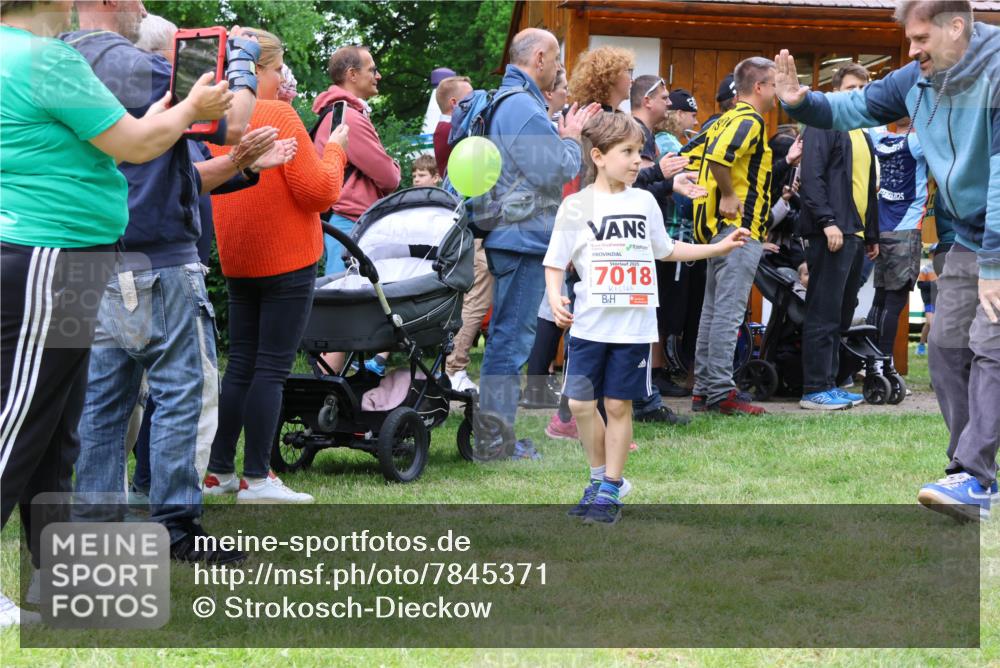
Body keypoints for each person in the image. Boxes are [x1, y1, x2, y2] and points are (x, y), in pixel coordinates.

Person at [0, 0, 231, 626]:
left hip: (66, 261)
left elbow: (125, 135)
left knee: (55, 429)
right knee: (20, 421)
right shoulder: (46, 60)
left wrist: (172, 114)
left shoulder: (24, 56)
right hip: (51, 258)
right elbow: (136, 146)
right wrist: (194, 109)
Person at [775, 0, 1000, 520]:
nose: (912, 49)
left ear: (956, 27)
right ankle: (971, 474)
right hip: (967, 229)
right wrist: (801, 102)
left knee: (991, 342)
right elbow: (848, 110)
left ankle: (976, 475)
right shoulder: (915, 79)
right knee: (945, 345)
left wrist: (993, 268)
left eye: (921, 38)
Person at [62, 0, 258, 566]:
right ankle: (175, 526)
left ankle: (96, 528)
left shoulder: (56, 64)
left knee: (100, 403)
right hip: (160, 260)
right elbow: (234, 122)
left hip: (86, 258)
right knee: (182, 395)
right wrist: (240, 58)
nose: (142, 7)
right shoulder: (136, 67)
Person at [545, 112, 749, 524]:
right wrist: (554, 297)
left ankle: (608, 490)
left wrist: (718, 248)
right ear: (599, 156)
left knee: (618, 404)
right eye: (628, 153)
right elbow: (555, 262)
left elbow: (668, 248)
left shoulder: (643, 202)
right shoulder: (575, 206)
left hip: (634, 326)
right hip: (588, 324)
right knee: (583, 404)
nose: (638, 160)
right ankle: (602, 478)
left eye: (640, 152)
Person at [204, 28, 348, 504]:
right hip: (286, 256)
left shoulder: (213, 115)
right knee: (271, 367)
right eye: (279, 66)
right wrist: (336, 148)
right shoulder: (281, 115)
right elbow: (319, 192)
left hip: (239, 255)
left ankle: (219, 469)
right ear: (263, 69)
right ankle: (258, 476)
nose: (283, 75)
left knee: (240, 364)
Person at [476, 28, 599, 458]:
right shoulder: (524, 108)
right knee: (511, 342)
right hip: (523, 239)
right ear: (541, 57)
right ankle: (494, 441)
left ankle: (493, 436)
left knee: (508, 339)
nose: (560, 70)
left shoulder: (507, 101)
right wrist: (570, 137)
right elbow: (556, 172)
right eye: (559, 61)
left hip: (513, 235)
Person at [687, 57, 777, 415]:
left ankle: (704, 389)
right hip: (740, 228)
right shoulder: (750, 120)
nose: (776, 94)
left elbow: (690, 157)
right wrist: (726, 194)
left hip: (715, 231)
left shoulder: (723, 119)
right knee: (728, 311)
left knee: (712, 310)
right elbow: (720, 159)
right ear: (759, 87)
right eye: (773, 85)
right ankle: (722, 391)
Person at [797, 63, 879, 411]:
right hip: (831, 232)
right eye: (850, 87)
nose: (856, 93)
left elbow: (867, 189)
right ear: (834, 90)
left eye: (861, 88)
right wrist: (827, 221)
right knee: (823, 312)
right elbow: (812, 178)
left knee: (842, 314)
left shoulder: (860, 130)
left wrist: (871, 234)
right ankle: (814, 388)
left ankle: (830, 383)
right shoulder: (823, 121)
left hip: (855, 235)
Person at [314, 44, 400, 276]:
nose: (378, 76)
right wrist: (395, 166)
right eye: (372, 70)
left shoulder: (336, 113)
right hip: (349, 225)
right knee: (345, 299)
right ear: (352, 74)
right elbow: (389, 178)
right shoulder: (349, 117)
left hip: (341, 222)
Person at [867, 116, 930, 364]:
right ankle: (884, 361)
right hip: (906, 230)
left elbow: (872, 120)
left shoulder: (880, 138)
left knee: (880, 298)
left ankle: (871, 359)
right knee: (895, 303)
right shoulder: (918, 142)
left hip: (882, 230)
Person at [432, 75, 473, 177]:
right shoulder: (449, 130)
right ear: (454, 103)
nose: (474, 101)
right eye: (470, 97)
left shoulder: (447, 128)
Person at [655, 88, 699, 155]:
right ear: (680, 114)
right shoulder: (671, 146)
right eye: (693, 116)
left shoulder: (659, 138)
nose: (696, 122)